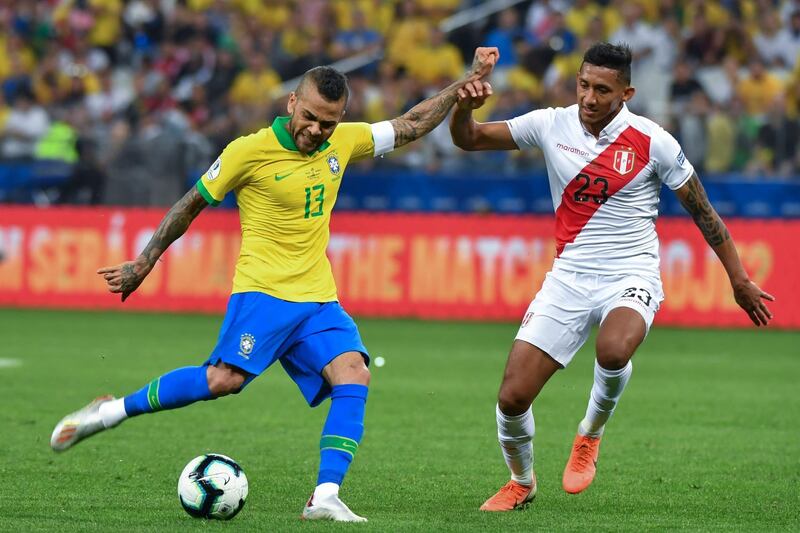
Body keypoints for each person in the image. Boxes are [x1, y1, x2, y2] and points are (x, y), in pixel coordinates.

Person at [50, 47, 499, 522]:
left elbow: (409, 124)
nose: (315, 130)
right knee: (222, 381)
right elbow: (189, 205)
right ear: (291, 103)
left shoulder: (342, 143)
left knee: (355, 373)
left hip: (318, 300)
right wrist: (144, 262)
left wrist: (463, 84)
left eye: (328, 122)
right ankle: (111, 410)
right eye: (309, 117)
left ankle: (324, 496)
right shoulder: (248, 150)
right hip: (262, 293)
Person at [449, 42, 774, 512]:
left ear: (626, 93)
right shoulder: (549, 124)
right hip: (568, 277)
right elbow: (469, 139)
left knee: (614, 347)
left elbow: (703, 211)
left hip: (630, 272)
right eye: (583, 85)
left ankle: (590, 435)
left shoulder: (652, 141)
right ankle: (521, 482)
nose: (589, 97)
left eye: (603, 89)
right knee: (512, 396)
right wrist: (463, 108)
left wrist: (738, 278)